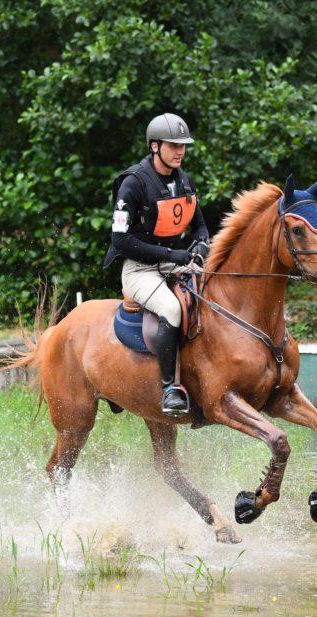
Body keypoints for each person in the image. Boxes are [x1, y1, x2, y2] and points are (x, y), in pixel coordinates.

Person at [103, 113, 211, 416]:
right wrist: (168, 255)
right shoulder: (133, 184)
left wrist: (201, 243)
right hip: (140, 270)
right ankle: (168, 389)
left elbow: (201, 226)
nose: (180, 151)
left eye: (183, 146)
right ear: (154, 146)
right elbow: (120, 241)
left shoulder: (183, 180)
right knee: (173, 309)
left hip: (174, 264)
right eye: (173, 145)